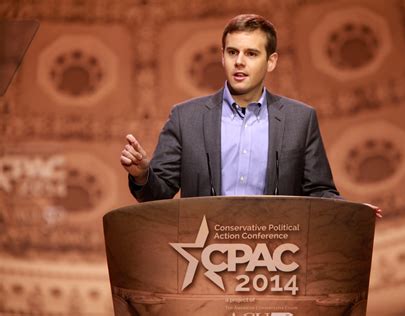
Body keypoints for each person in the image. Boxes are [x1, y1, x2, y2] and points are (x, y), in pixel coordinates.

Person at [120, 14, 382, 218]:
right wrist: (143, 174)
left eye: (251, 54)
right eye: (232, 52)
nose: (239, 62)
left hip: (277, 264)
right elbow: (159, 193)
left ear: (271, 61)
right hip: (205, 260)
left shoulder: (300, 120)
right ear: (222, 57)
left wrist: (353, 214)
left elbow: (319, 192)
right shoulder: (185, 118)